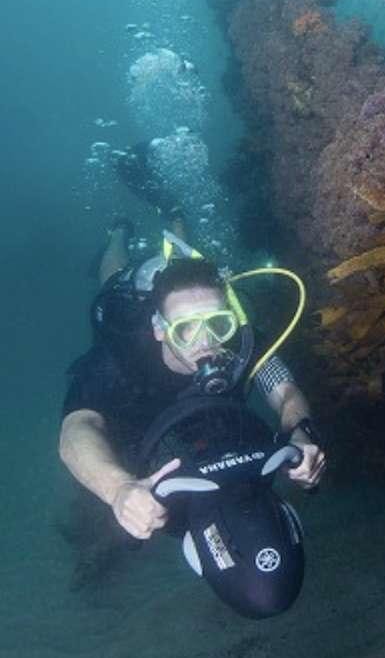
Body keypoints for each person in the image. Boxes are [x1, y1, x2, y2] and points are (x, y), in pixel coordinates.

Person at [59, 218, 326, 545]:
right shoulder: (122, 355)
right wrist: (118, 488)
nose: (206, 342)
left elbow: (285, 390)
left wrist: (300, 432)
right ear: (160, 329)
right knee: (113, 278)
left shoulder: (241, 344)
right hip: (123, 301)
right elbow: (77, 427)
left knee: (184, 253)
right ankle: (117, 233)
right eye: (185, 328)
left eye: (217, 324)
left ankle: (175, 219)